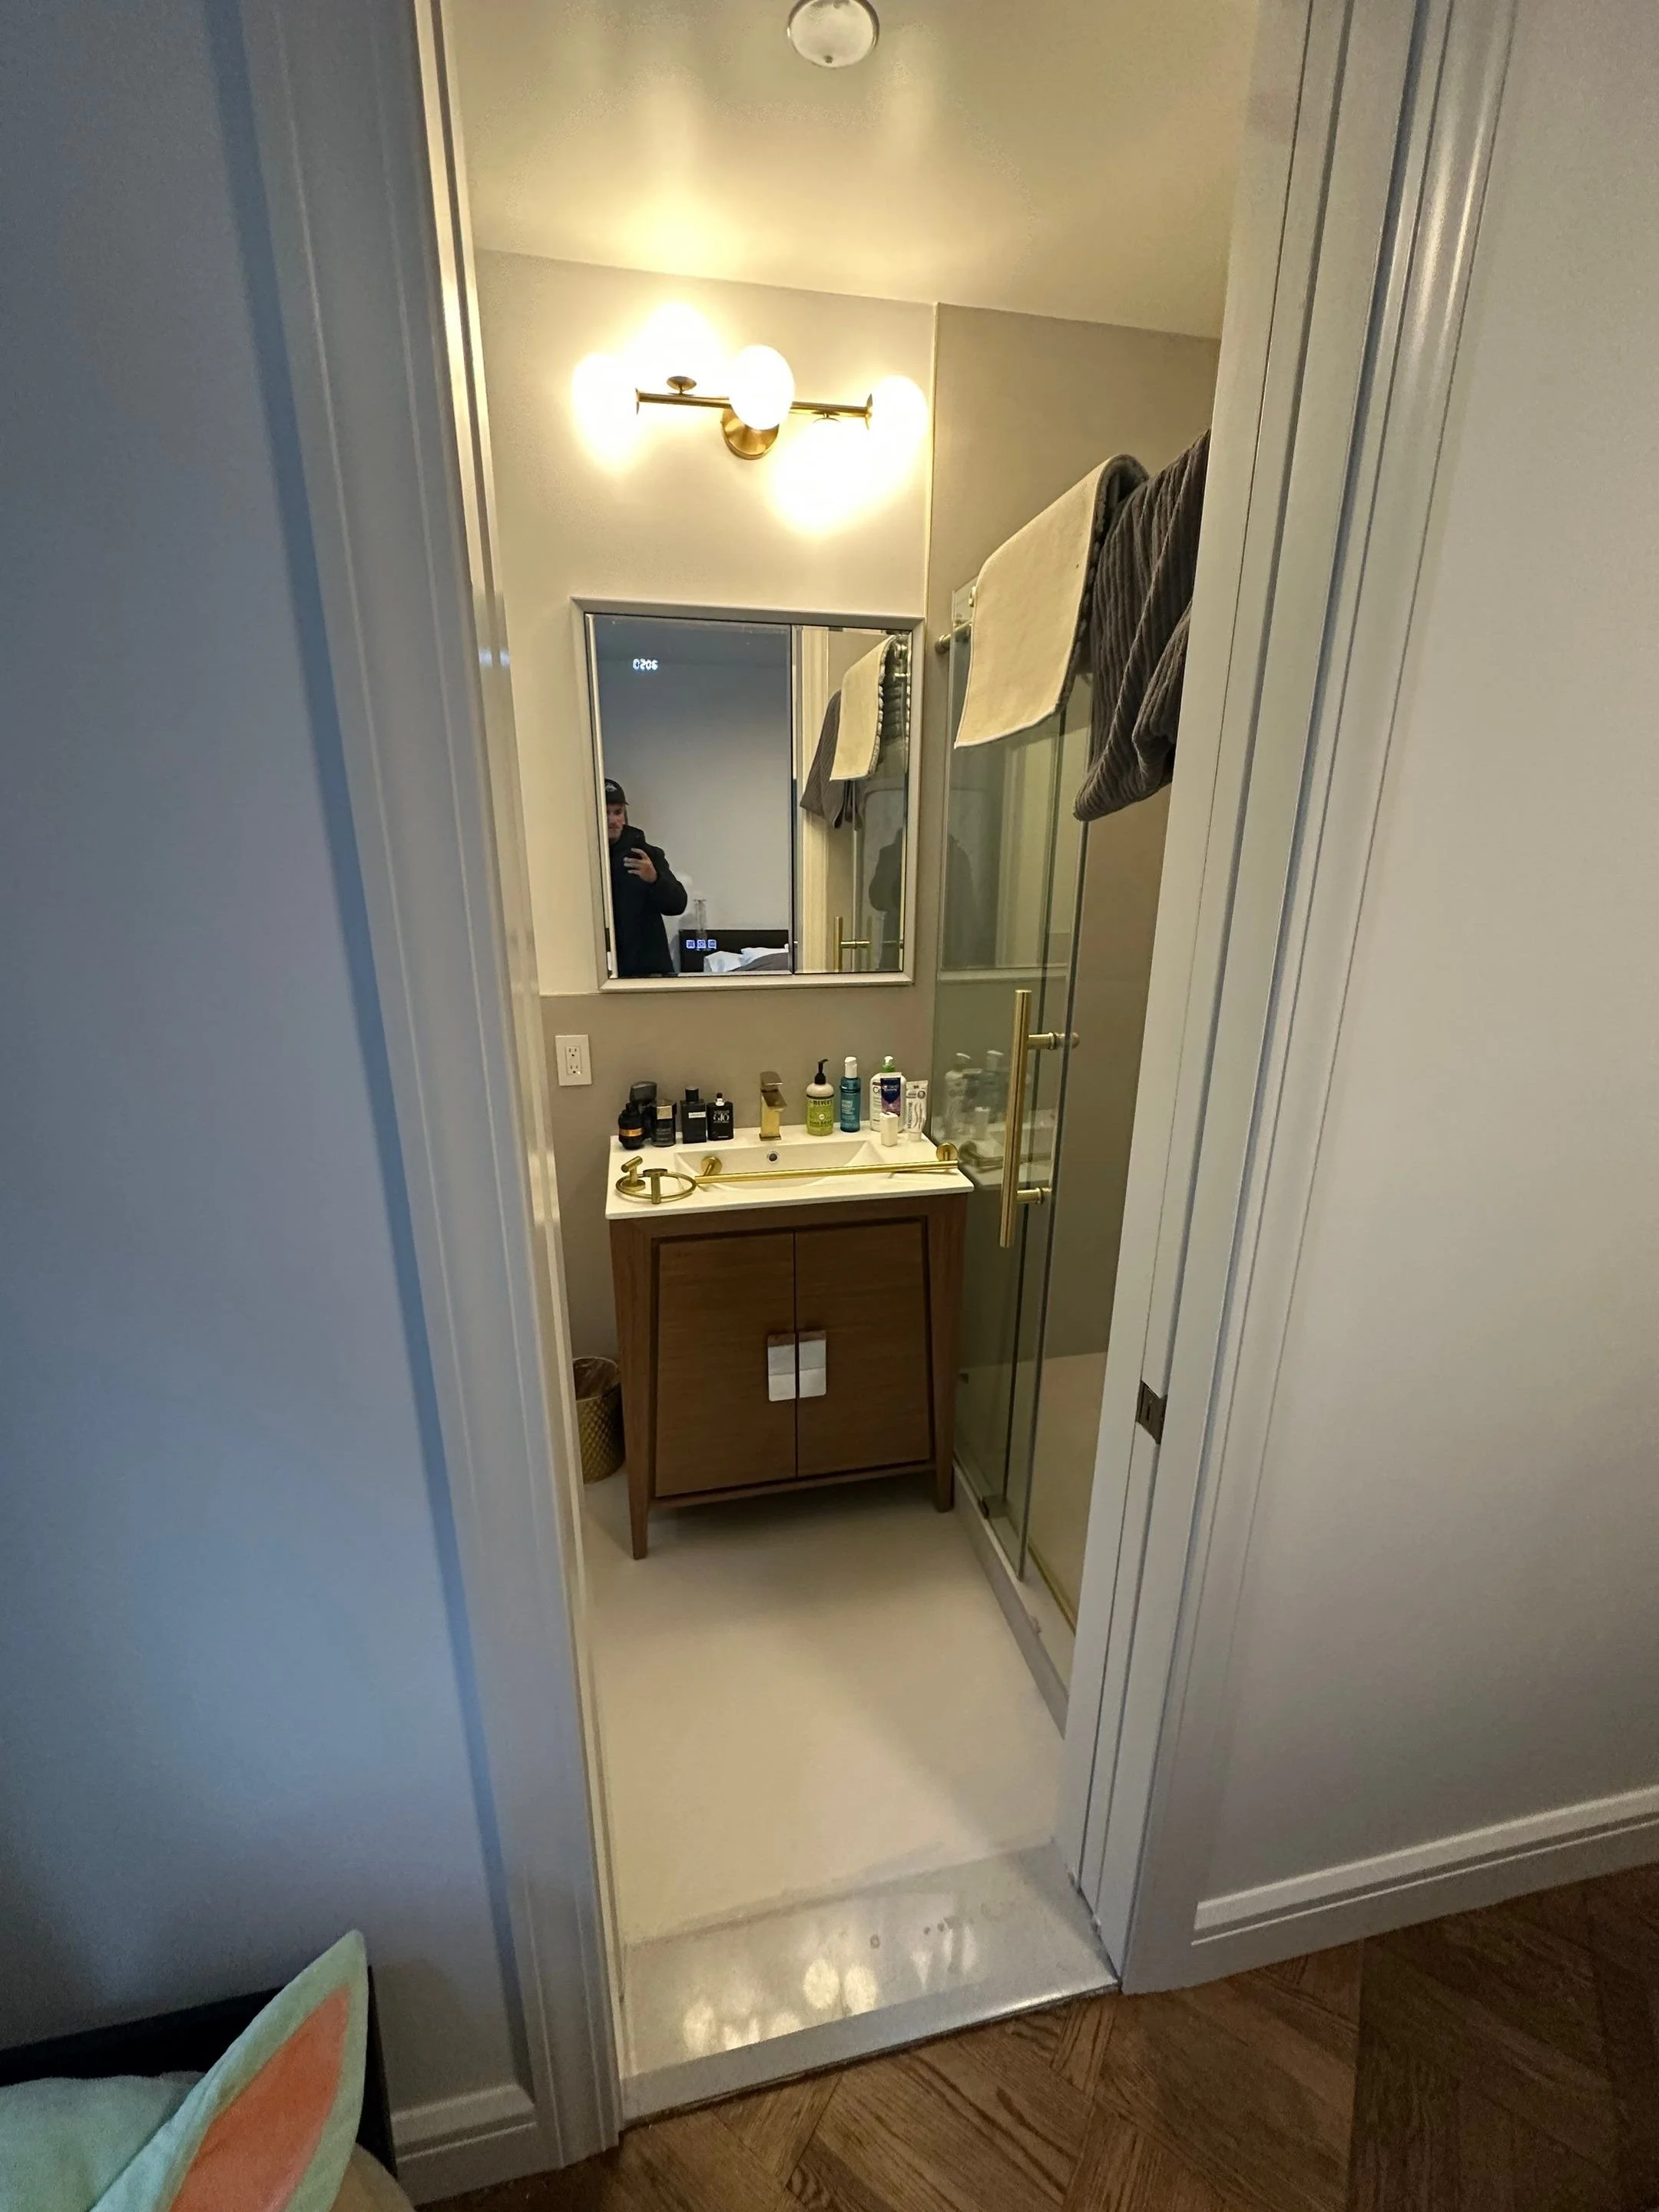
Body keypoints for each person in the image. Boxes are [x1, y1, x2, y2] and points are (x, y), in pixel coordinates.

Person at [604, 779, 687, 977]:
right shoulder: (579, 861)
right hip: (598, 972)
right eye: (606, 813)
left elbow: (677, 905)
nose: (613, 820)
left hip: (648, 972)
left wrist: (655, 879)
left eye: (618, 812)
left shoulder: (646, 855)